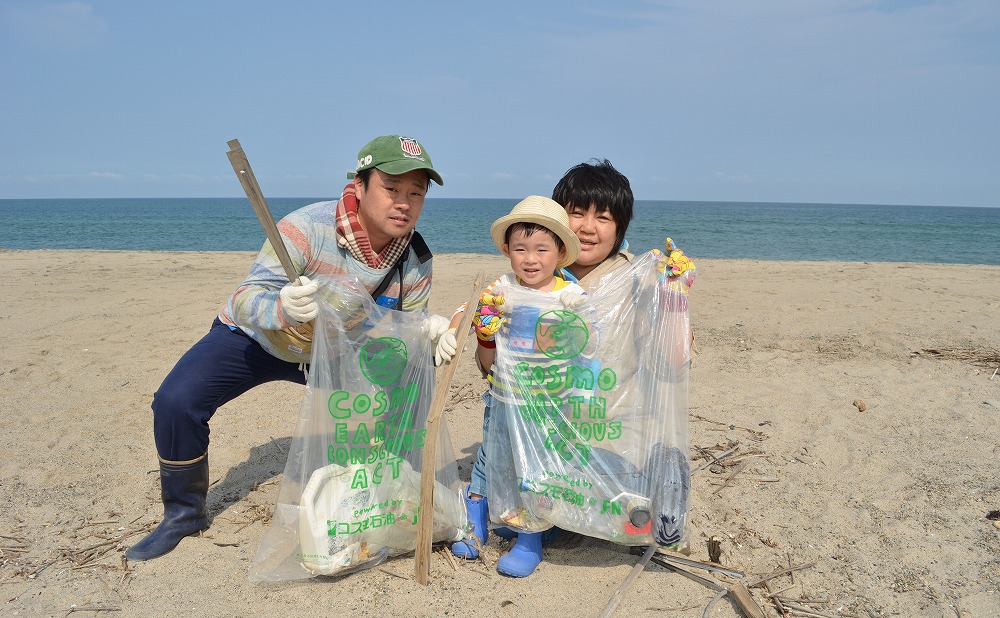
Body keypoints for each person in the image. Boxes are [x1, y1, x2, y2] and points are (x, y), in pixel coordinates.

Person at [126, 135, 457, 562]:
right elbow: (246, 298)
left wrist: (428, 333)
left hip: (336, 350)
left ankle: (390, 492)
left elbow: (403, 332)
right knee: (176, 400)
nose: (404, 204)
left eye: (416, 193)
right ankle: (183, 514)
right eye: (391, 189)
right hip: (259, 339)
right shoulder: (306, 228)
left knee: (412, 382)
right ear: (359, 186)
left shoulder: (415, 258)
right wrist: (280, 306)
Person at [444, 159, 693, 576]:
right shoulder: (531, 277)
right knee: (514, 453)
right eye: (577, 212)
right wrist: (483, 335)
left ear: (621, 227)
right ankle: (515, 511)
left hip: (604, 431)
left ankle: (649, 480)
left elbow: (675, 363)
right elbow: (490, 367)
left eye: (604, 217)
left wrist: (674, 296)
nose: (588, 227)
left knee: (633, 516)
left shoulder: (637, 280)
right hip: (541, 423)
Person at [447, 195, 586, 577]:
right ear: (507, 250)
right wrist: (479, 327)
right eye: (520, 249)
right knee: (490, 457)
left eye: (542, 249)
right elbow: (472, 310)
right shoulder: (502, 288)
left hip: (549, 402)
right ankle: (475, 520)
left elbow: (591, 335)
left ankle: (529, 538)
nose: (530, 259)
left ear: (560, 253)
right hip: (503, 395)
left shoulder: (569, 295)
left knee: (538, 466)